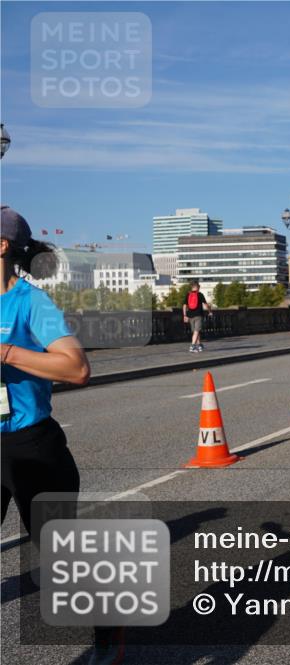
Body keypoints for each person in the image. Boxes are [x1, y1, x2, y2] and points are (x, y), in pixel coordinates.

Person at [0, 206, 119, 662]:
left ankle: (108, 624)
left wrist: (7, 351)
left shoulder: (30, 303)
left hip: (30, 443)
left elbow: (76, 368)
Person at [182, 281, 212, 352]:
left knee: (195, 331)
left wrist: (185, 315)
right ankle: (192, 346)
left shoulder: (188, 294)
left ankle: (199, 345)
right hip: (198, 315)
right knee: (196, 331)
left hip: (190, 315)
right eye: (199, 287)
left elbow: (184, 305)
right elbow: (206, 304)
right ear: (197, 287)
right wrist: (210, 311)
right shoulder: (200, 294)